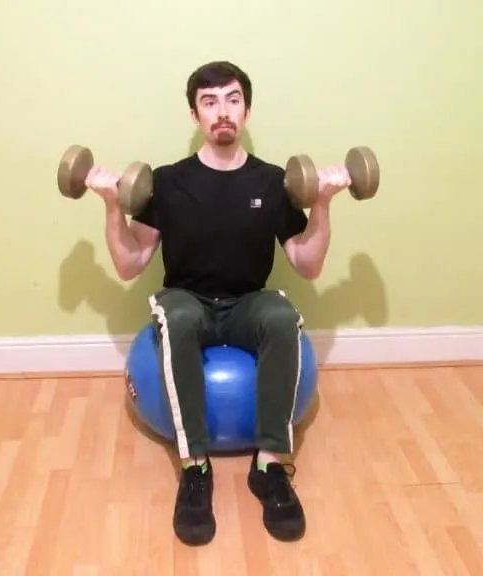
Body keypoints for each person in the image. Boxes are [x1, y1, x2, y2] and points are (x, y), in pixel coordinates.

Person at [86, 61, 350, 546]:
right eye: (210, 102)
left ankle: (270, 467)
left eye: (231, 99)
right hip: (187, 299)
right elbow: (130, 263)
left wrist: (324, 205)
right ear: (195, 116)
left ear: (246, 110)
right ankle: (195, 469)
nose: (222, 111)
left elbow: (307, 264)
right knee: (179, 314)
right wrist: (109, 205)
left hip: (247, 302)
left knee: (282, 313)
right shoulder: (165, 183)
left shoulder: (273, 183)